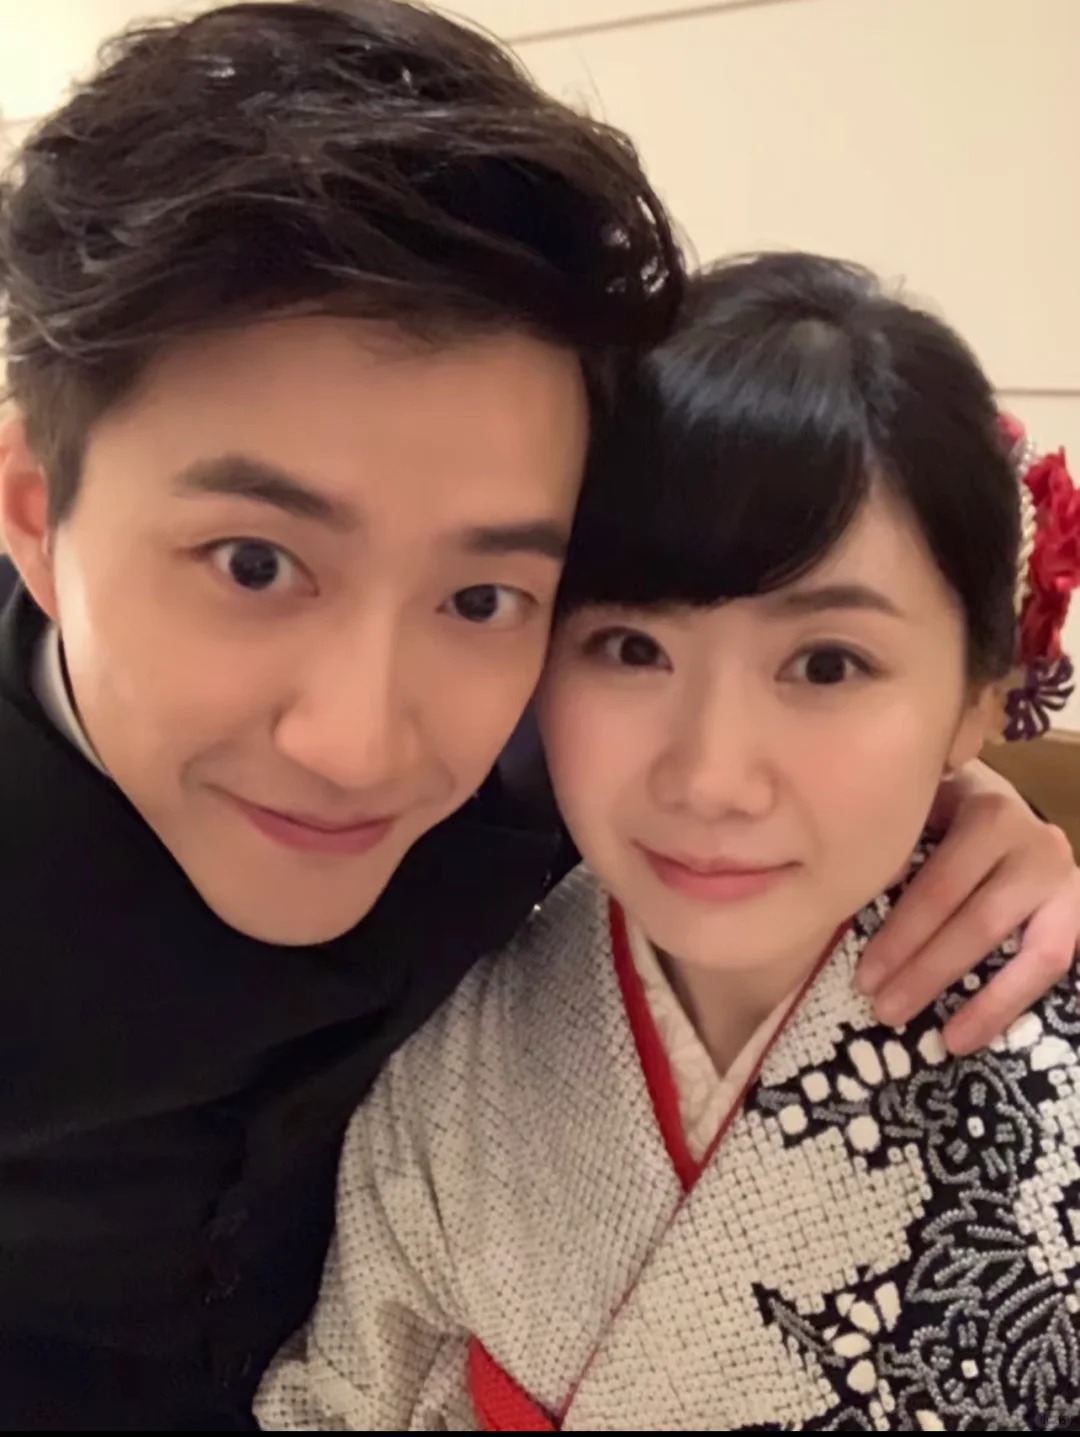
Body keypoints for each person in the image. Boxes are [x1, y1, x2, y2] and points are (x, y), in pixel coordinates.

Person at [0, 2, 1074, 1428]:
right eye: (255, 564)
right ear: (36, 511)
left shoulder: (557, 770)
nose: (359, 747)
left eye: (484, 594)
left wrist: (951, 800)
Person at [255, 254, 1080, 1432]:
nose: (710, 778)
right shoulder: (462, 1002)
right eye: (631, 648)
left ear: (976, 700)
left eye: (828, 664)